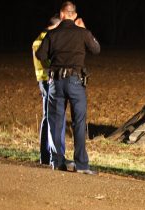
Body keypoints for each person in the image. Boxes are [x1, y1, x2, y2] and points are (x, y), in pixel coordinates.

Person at [36, 1, 100, 175]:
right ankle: (81, 165)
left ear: (62, 15)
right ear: (74, 15)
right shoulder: (82, 33)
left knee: (56, 123)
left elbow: (40, 55)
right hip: (75, 82)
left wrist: (50, 66)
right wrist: (86, 30)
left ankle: (57, 162)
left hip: (55, 82)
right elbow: (96, 49)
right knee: (79, 123)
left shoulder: (52, 34)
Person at [32, 14, 66, 165]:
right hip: (49, 81)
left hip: (43, 80)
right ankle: (54, 156)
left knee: (47, 118)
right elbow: (48, 62)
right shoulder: (47, 39)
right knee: (53, 118)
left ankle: (45, 156)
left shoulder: (39, 38)